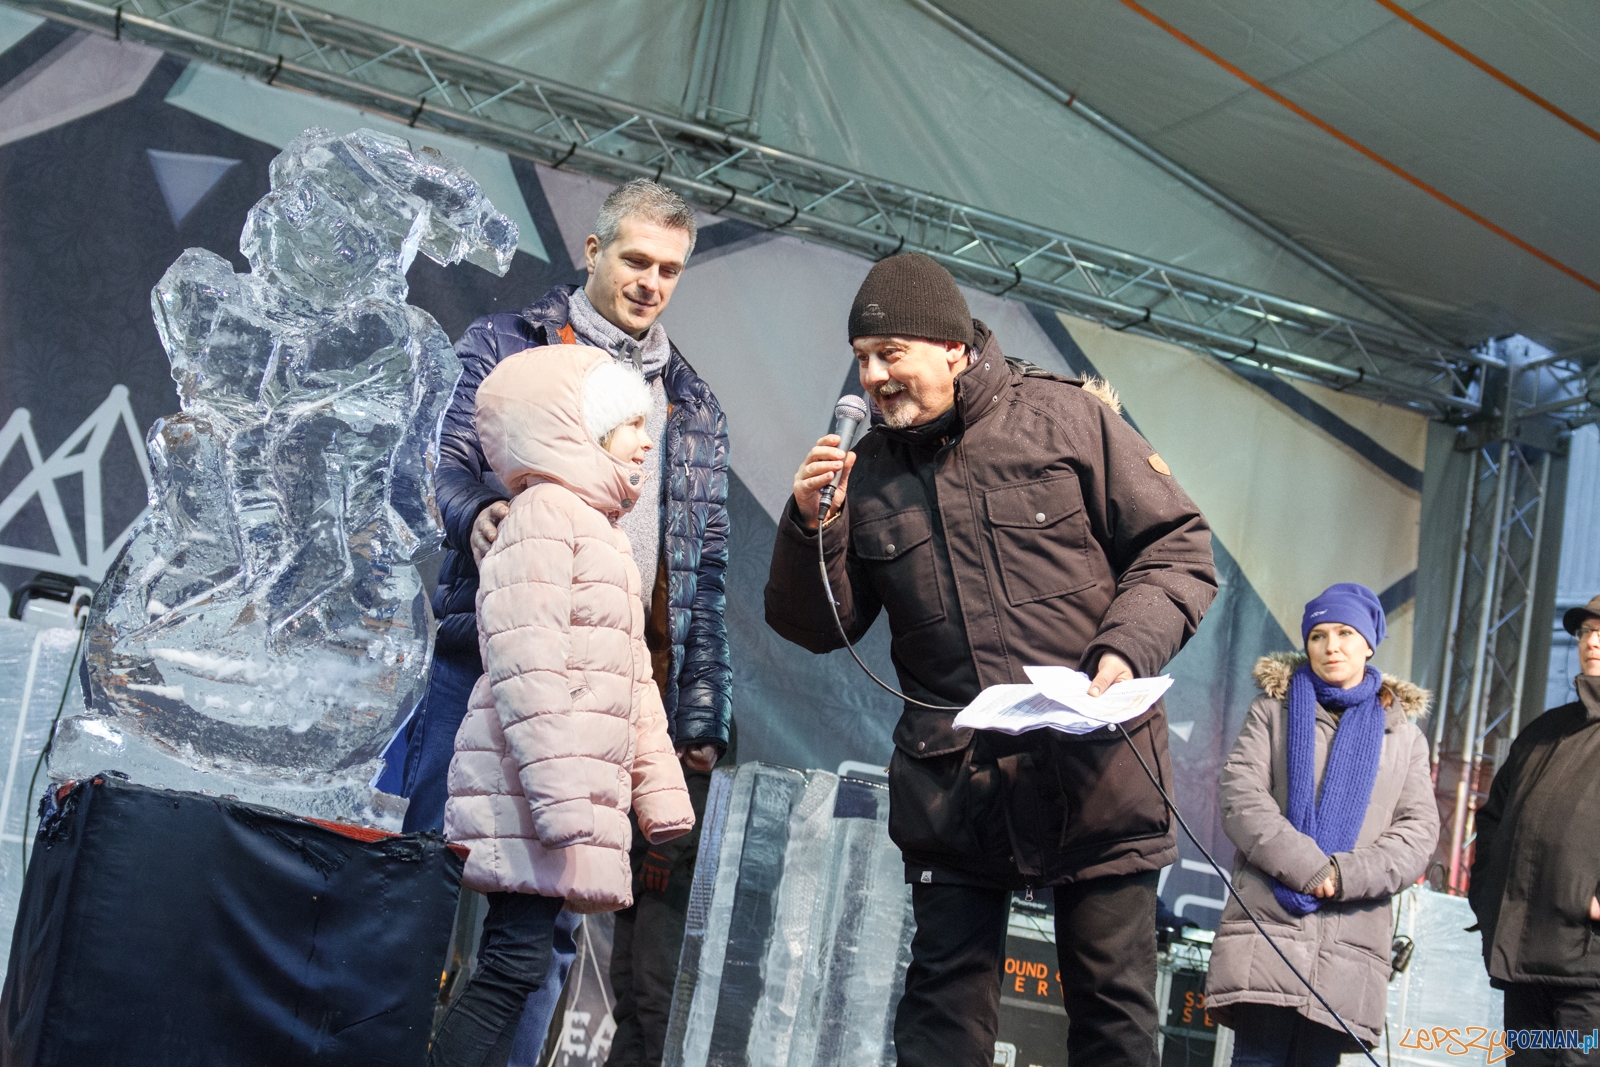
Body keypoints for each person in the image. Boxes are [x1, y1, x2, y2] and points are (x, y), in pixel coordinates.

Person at [764, 252, 1218, 1067]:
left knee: (1114, 1019)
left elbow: (1177, 546)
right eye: (862, 359)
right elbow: (816, 625)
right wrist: (809, 526)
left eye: (890, 353)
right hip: (955, 789)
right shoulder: (864, 474)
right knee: (940, 1021)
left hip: (1097, 773)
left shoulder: (1064, 418)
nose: (872, 377)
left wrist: (1124, 649)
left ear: (952, 347)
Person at [407, 178, 732, 1064]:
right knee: (423, 881)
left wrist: (699, 705)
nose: (651, 282)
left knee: (542, 927)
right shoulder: (507, 341)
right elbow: (440, 463)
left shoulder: (692, 402)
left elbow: (701, 566)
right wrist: (475, 510)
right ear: (593, 251)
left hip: (601, 673)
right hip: (485, 652)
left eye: (669, 269)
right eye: (636, 259)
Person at [432, 346, 696, 1067]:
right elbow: (527, 666)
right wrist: (558, 796)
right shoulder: (546, 514)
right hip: (533, 794)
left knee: (517, 968)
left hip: (560, 798)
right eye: (631, 426)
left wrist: (661, 794)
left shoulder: (603, 533)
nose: (646, 442)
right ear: (586, 428)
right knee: (511, 966)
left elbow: (633, 680)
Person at [1204, 583, 1438, 1066]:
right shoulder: (1272, 711)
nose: (1331, 646)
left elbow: (1416, 835)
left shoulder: (1405, 738)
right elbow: (1240, 798)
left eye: (1345, 633)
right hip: (1269, 934)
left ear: (1369, 643)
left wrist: (1343, 875)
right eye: (1319, 635)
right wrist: (1309, 868)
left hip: (1347, 951)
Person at [1469, 593, 1600, 1064]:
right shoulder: (1544, 730)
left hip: (1591, 977)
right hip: (1525, 965)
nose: (1592, 641)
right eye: (1586, 631)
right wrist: (1488, 898)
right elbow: (1493, 819)